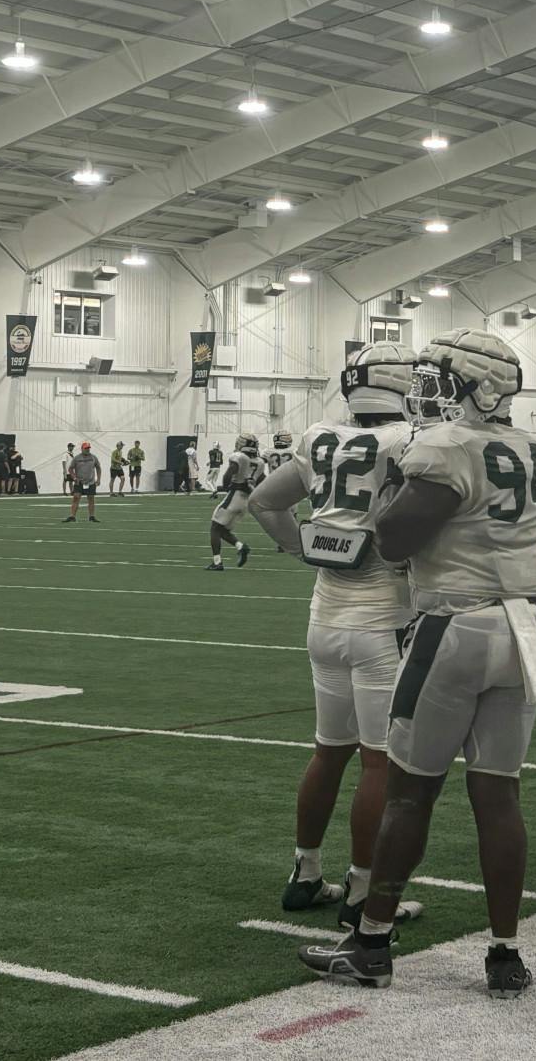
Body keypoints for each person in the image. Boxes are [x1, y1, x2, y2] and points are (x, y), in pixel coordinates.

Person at [299, 329, 536, 997]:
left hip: (453, 626)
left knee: (411, 791)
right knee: (499, 793)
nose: (425, 390)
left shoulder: (443, 446)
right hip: (523, 625)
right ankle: (504, 952)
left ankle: (372, 942)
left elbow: (394, 535)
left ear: (479, 387)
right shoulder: (533, 446)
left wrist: (385, 499)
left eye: (441, 379)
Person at [250, 344, 422, 926]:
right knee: (380, 765)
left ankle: (305, 870)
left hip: (324, 615)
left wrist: (304, 547)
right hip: (383, 617)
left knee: (329, 751)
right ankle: (362, 894)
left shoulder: (320, 436)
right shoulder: (406, 442)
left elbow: (263, 502)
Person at [206, 435, 260, 570]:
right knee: (222, 530)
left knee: (214, 527)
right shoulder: (260, 462)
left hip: (234, 496)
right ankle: (241, 547)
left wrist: (225, 487)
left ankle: (217, 562)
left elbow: (229, 474)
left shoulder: (239, 457)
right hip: (246, 501)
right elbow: (261, 481)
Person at [63, 441, 101, 522]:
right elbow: (70, 468)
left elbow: (98, 467)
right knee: (76, 498)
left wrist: (98, 479)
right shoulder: (77, 458)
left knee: (91, 499)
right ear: (82, 449)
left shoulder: (93, 457)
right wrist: (74, 477)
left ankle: (91, 517)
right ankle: (72, 516)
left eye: (88, 448)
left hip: (90, 482)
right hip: (79, 482)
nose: (87, 450)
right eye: (86, 448)